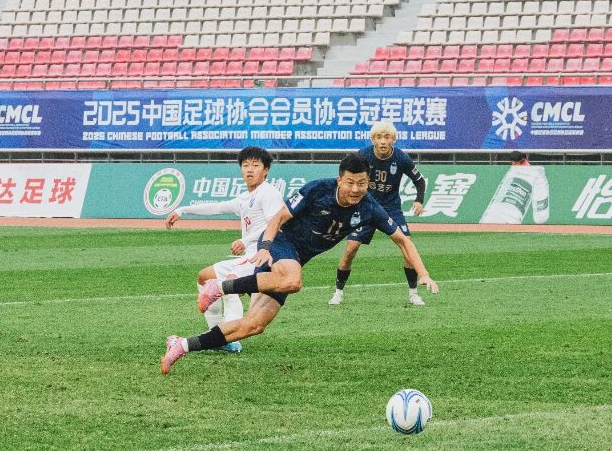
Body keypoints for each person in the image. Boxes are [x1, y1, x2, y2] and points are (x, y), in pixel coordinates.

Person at [161, 154, 438, 374]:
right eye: (350, 182)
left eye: (362, 183)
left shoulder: (370, 208)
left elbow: (403, 241)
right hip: (281, 243)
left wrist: (423, 274)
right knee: (293, 281)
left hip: (296, 258)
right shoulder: (318, 189)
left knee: (254, 325)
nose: (356, 189)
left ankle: (182, 345)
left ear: (368, 183)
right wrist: (265, 247)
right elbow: (278, 218)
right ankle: (219, 287)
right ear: (339, 180)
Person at [164, 146, 285, 353]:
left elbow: (275, 222)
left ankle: (227, 338)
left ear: (265, 170)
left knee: (228, 283)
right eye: (245, 165)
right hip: (250, 255)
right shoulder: (245, 197)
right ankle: (219, 337)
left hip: (264, 256)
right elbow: (217, 207)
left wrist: (246, 240)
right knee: (204, 277)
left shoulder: (269, 192)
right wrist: (183, 210)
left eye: (255, 165)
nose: (249, 169)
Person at [329, 121, 429, 307]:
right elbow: (347, 179)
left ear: (393, 139)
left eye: (387, 137)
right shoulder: (362, 156)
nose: (383, 141)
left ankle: (414, 294)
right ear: (372, 139)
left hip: (391, 209)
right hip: (366, 207)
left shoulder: (401, 158)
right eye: (379, 137)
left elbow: (420, 181)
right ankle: (338, 292)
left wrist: (419, 200)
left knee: (406, 246)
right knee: (351, 248)